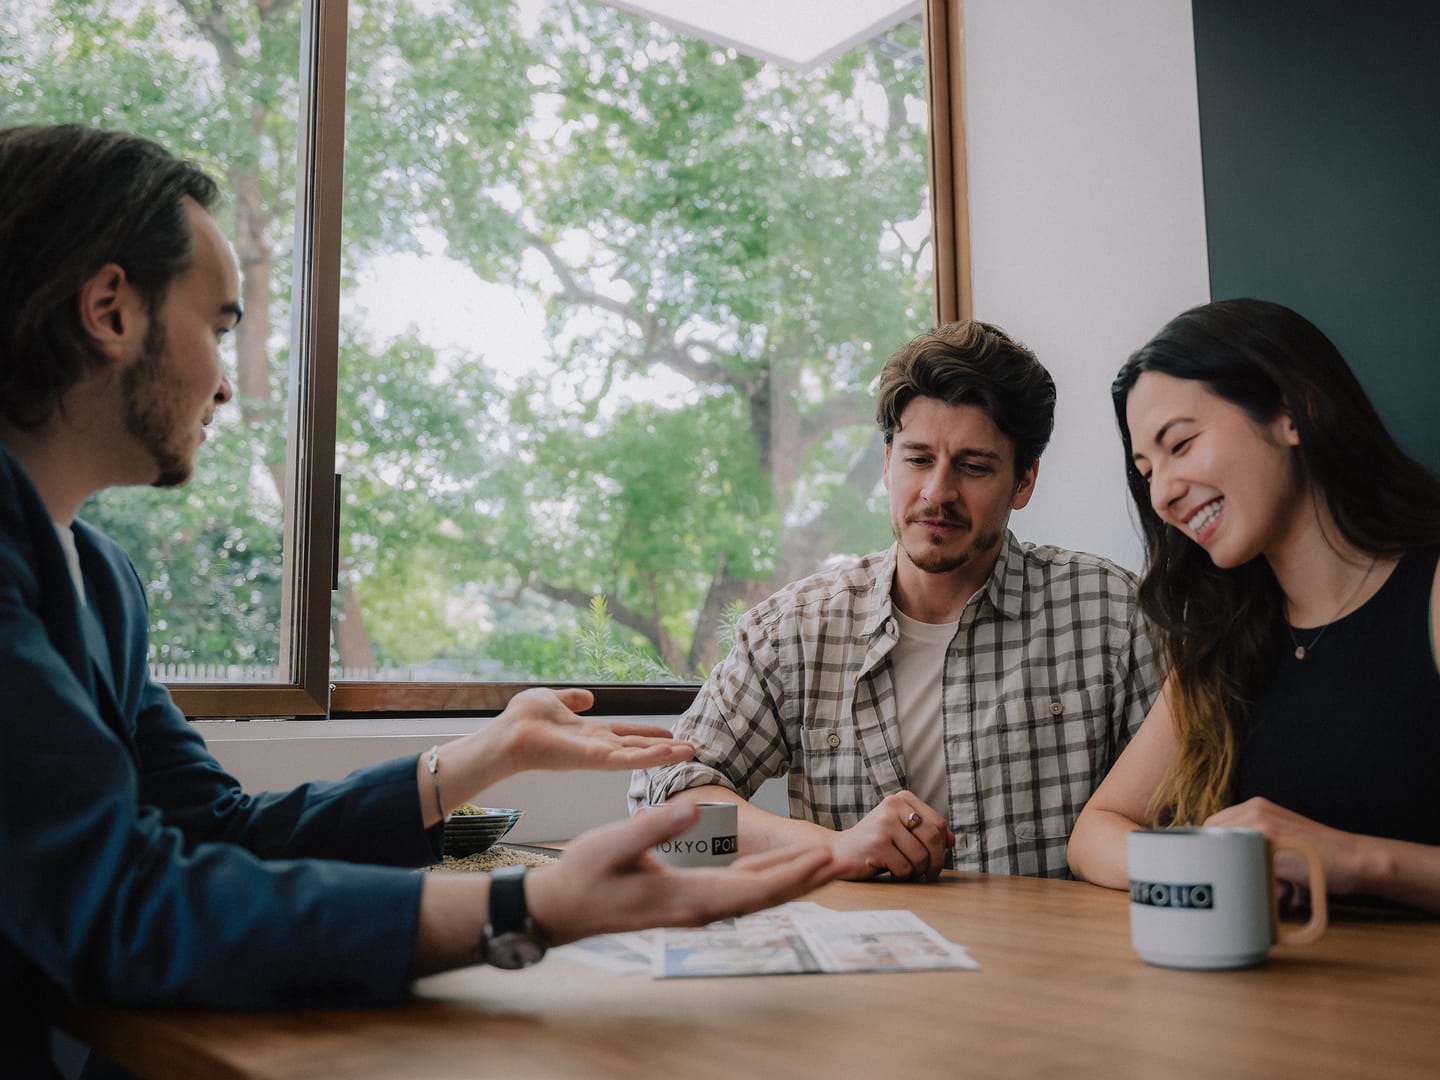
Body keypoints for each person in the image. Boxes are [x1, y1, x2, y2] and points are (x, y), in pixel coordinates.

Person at [0, 124, 840, 1080]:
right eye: (220, 325)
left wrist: (492, 752)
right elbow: (121, 904)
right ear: (111, 309)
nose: (227, 384)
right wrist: (528, 909)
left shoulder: (101, 580)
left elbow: (218, 834)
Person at [630, 320, 1160, 881]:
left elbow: (1188, 817)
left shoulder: (1112, 616)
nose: (937, 492)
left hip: (1053, 964)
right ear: (886, 463)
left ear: (1024, 481)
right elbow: (657, 814)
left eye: (974, 466)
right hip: (860, 964)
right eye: (917, 458)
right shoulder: (795, 632)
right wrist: (833, 848)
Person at [1067, 298, 1440, 912]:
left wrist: (1352, 861)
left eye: (1180, 445)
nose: (1161, 493)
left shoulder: (1427, 595)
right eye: (1145, 469)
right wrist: (1200, 867)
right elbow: (1096, 830)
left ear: (1294, 413)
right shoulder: (1222, 639)